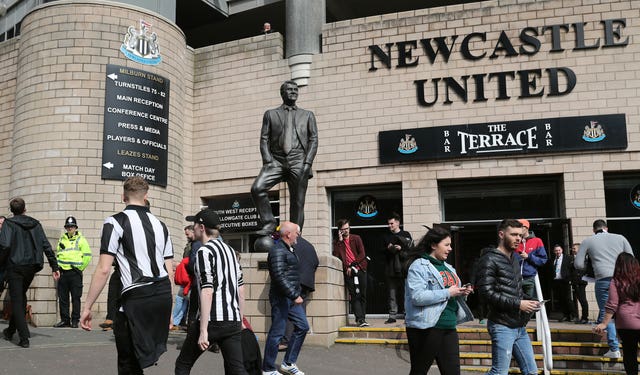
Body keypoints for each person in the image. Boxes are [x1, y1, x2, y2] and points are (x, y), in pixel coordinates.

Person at [80, 176, 174, 373]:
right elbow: (169, 269)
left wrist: (87, 306)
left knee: (127, 360)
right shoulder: (161, 225)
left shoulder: (114, 222)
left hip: (137, 295)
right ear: (146, 195)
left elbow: (104, 269)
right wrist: (171, 309)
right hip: (162, 295)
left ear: (123, 196)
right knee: (139, 359)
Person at [175, 209, 248, 375]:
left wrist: (203, 330)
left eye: (194, 224)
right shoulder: (231, 251)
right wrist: (240, 320)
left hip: (212, 321)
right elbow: (241, 289)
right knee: (236, 369)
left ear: (201, 227)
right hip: (233, 320)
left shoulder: (204, 251)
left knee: (183, 365)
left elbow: (207, 290)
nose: (192, 228)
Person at [251, 80, 318, 235]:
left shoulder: (307, 115)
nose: (294, 91)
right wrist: (268, 160)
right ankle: (269, 223)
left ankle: (295, 235)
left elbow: (313, 139)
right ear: (282, 93)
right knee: (257, 188)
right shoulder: (271, 114)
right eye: (289, 89)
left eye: (296, 89)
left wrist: (307, 163)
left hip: (298, 160)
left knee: (298, 202)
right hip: (276, 161)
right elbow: (264, 139)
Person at [404, 226, 474, 375]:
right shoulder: (418, 265)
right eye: (446, 245)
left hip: (449, 326)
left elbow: (450, 294)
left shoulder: (449, 267)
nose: (450, 249)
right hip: (426, 327)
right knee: (419, 371)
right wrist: (448, 292)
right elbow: (417, 297)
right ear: (434, 245)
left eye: (450, 245)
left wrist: (462, 292)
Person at [476, 219, 541, 375]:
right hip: (501, 325)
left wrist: (529, 301)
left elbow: (514, 291)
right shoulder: (489, 259)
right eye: (513, 235)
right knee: (499, 372)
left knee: (531, 371)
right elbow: (486, 293)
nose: (518, 238)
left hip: (519, 325)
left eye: (520, 235)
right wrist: (518, 304)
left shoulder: (515, 259)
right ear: (501, 234)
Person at [0, 197, 60, 348]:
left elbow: (5, 246)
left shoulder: (9, 223)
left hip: (15, 266)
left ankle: (24, 337)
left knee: (18, 300)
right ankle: (10, 330)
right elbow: (46, 245)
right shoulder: (36, 224)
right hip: (31, 267)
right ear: (24, 209)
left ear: (12, 211)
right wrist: (54, 266)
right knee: (20, 298)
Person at [574, 219, 633, 359]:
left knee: (608, 313)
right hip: (624, 279)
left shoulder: (588, 241)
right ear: (606, 228)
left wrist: (591, 266)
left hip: (604, 279)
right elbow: (632, 258)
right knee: (626, 311)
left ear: (594, 230)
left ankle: (614, 348)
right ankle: (629, 344)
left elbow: (578, 264)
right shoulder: (621, 238)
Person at [262, 221, 309, 375]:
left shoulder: (289, 249)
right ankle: (268, 369)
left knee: (302, 326)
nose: (298, 235)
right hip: (281, 298)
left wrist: (296, 294)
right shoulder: (277, 250)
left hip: (291, 298)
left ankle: (288, 363)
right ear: (288, 234)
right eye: (297, 232)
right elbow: (278, 276)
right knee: (277, 333)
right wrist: (294, 295)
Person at [593, 253, 640, 375]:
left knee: (630, 353)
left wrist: (604, 323)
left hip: (626, 323)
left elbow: (612, 304)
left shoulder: (616, 281)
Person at [281, 233, 319, 350]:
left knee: (289, 311)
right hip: (307, 283)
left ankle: (286, 341)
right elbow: (316, 262)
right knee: (300, 310)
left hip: (295, 281)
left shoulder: (292, 243)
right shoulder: (309, 245)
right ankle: (297, 341)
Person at [53, 216, 92, 328]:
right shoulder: (62, 239)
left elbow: (87, 256)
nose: (70, 228)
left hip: (75, 273)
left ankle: (75, 320)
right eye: (68, 226)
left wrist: (80, 268)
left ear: (75, 227)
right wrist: (57, 268)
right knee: (63, 298)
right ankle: (65, 320)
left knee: (76, 298)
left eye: (72, 226)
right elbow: (58, 255)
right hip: (63, 272)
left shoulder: (81, 239)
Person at [332, 218, 369, 327]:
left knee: (362, 294)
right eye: (343, 229)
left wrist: (353, 265)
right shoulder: (338, 243)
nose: (346, 231)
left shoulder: (356, 238)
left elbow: (362, 253)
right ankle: (360, 319)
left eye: (347, 228)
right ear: (340, 230)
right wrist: (339, 242)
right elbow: (336, 257)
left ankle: (363, 318)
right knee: (354, 295)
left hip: (360, 268)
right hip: (348, 272)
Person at [382, 213, 412, 324]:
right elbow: (381, 252)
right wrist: (389, 248)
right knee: (392, 294)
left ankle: (407, 314)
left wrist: (401, 248)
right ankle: (392, 316)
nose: (390, 226)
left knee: (406, 293)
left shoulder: (406, 234)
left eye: (392, 223)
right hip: (390, 269)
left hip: (404, 268)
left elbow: (411, 250)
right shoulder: (386, 236)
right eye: (388, 224)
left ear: (398, 223)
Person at [516, 219, 547, 299]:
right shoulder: (515, 241)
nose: (516, 229)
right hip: (515, 278)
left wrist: (528, 257)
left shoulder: (537, 241)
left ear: (526, 228)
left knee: (530, 306)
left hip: (529, 279)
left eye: (519, 227)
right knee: (515, 305)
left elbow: (543, 260)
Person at [551, 244, 575, 322]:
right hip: (556, 281)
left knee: (568, 298)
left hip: (565, 281)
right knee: (561, 299)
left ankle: (573, 315)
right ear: (554, 252)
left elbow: (572, 269)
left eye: (559, 250)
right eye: (556, 251)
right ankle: (565, 315)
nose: (558, 252)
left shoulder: (568, 258)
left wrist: (570, 279)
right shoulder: (552, 259)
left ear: (562, 250)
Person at [570, 242, 589, 324]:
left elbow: (583, 269)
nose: (573, 250)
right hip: (575, 282)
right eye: (572, 249)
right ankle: (579, 317)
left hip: (581, 282)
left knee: (583, 300)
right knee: (579, 299)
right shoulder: (573, 258)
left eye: (574, 248)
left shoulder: (583, 258)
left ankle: (585, 317)